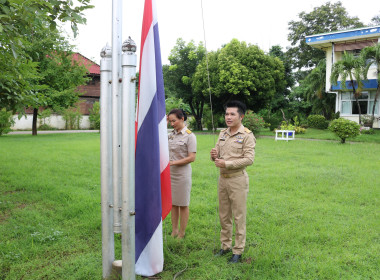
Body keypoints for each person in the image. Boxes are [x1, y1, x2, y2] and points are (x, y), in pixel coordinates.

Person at [210, 100, 256, 263]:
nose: (228, 117)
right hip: (223, 180)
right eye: (226, 114)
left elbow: (249, 159)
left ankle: (238, 251)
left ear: (241, 116)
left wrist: (227, 163)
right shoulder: (223, 133)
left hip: (237, 180)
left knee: (238, 216)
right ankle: (225, 246)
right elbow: (217, 155)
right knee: (224, 215)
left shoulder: (247, 135)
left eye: (232, 114)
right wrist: (214, 155)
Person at [167, 109, 197, 239]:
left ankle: (182, 233)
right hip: (170, 173)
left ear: (182, 119)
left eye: (174, 121)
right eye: (170, 121)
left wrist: (174, 163)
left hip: (182, 174)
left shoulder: (190, 136)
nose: (172, 124)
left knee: (183, 204)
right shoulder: (170, 135)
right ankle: (174, 230)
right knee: (173, 203)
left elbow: (192, 158)